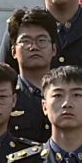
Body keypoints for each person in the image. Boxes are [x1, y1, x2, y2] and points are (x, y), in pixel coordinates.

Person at [6, 8, 57, 143]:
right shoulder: (6, 96)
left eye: (41, 40)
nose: (33, 47)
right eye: (25, 40)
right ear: (13, 51)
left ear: (54, 49)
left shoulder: (67, 95)